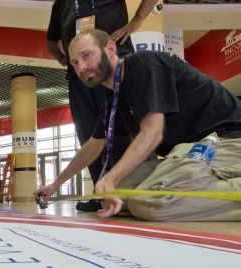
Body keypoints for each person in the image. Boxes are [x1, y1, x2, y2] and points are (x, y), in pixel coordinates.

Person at [35, 29, 241, 221]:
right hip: (189, 153)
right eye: (74, 62)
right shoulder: (114, 96)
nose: (81, 67)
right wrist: (56, 184)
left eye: (86, 55)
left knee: (148, 204)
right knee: (112, 196)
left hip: (227, 140)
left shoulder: (145, 65)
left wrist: (111, 177)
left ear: (110, 49)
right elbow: (93, 146)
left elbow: (153, 132)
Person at [46, 0, 170, 211]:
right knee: (88, 131)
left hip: (115, 67)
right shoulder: (63, 1)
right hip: (81, 77)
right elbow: (51, 40)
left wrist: (136, 21)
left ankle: (126, 189)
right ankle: (101, 192)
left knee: (123, 127)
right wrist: (66, 59)